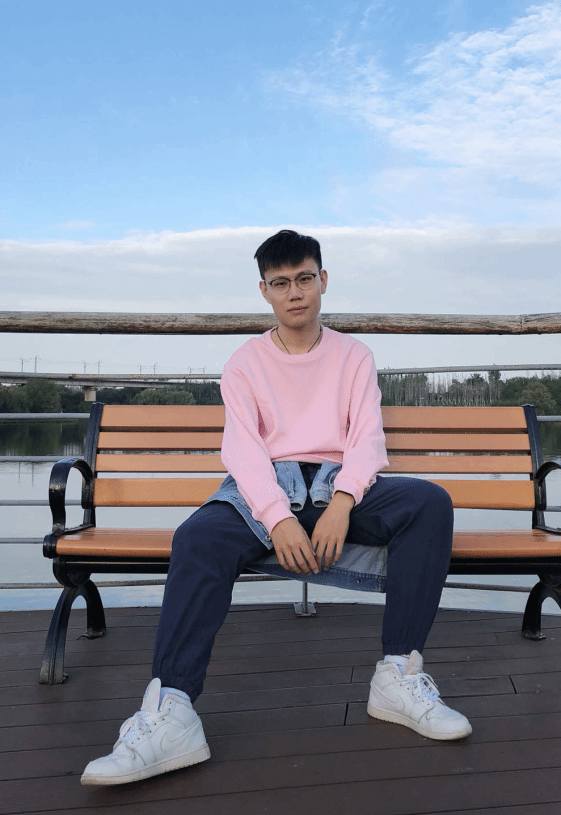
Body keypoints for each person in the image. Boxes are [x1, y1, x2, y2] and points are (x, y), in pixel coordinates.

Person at [81, 229, 472, 787]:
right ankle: (171, 710)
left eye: (305, 278)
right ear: (264, 290)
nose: (295, 292)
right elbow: (242, 450)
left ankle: (397, 676)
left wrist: (343, 501)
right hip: (267, 486)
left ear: (323, 281)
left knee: (429, 503)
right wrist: (278, 517)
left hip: (339, 485)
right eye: (281, 282)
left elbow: (366, 439)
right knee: (198, 537)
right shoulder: (245, 363)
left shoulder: (354, 356)